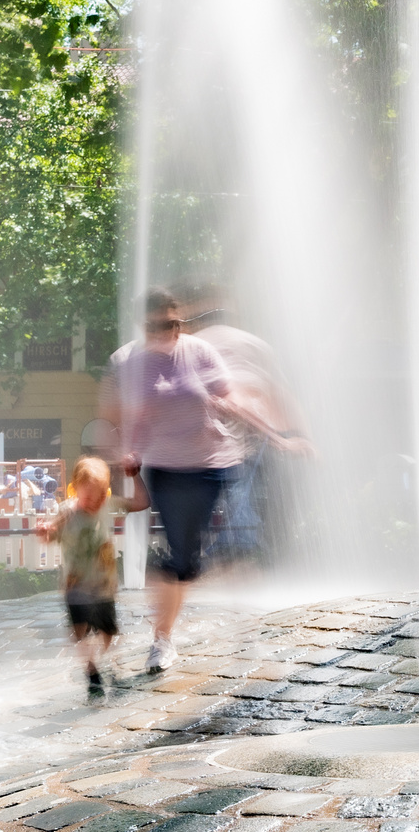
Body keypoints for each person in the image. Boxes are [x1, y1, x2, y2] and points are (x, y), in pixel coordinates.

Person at [101, 288, 313, 672]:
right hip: (166, 469)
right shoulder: (135, 364)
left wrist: (278, 438)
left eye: (173, 324)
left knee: (229, 545)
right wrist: (130, 452)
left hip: (215, 463)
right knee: (184, 558)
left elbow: (234, 402)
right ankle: (162, 641)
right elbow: (136, 419)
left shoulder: (199, 353)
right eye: (157, 326)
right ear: (144, 326)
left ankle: (245, 626)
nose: (167, 332)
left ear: (179, 322)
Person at [177, 282, 308, 567]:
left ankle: (235, 556)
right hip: (252, 439)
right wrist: (298, 437)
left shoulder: (192, 348)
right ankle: (257, 557)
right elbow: (280, 396)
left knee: (235, 503)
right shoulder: (253, 344)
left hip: (221, 443)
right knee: (252, 502)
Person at [43, 455, 136, 698]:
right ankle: (92, 671)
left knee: (109, 633)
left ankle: (107, 660)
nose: (94, 503)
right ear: (75, 489)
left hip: (103, 585)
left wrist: (135, 475)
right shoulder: (66, 513)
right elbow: (51, 533)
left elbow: (141, 502)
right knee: (79, 631)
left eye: (99, 497)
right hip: (76, 585)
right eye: (87, 498)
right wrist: (45, 531)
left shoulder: (107, 506)